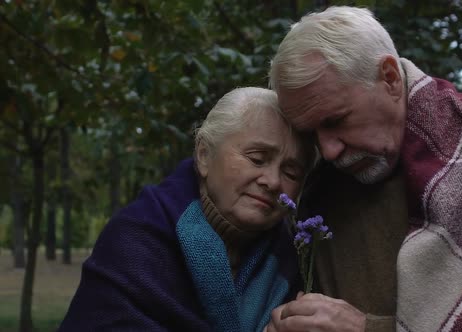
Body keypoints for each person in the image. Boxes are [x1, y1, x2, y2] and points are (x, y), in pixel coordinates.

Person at [265, 6, 462, 332]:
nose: (330, 150)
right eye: (311, 134)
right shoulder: (321, 192)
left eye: (336, 120)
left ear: (390, 78)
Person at [59, 87, 316, 331]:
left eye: (291, 172)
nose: (272, 181)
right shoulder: (136, 239)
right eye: (257, 158)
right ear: (204, 155)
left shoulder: (296, 261)